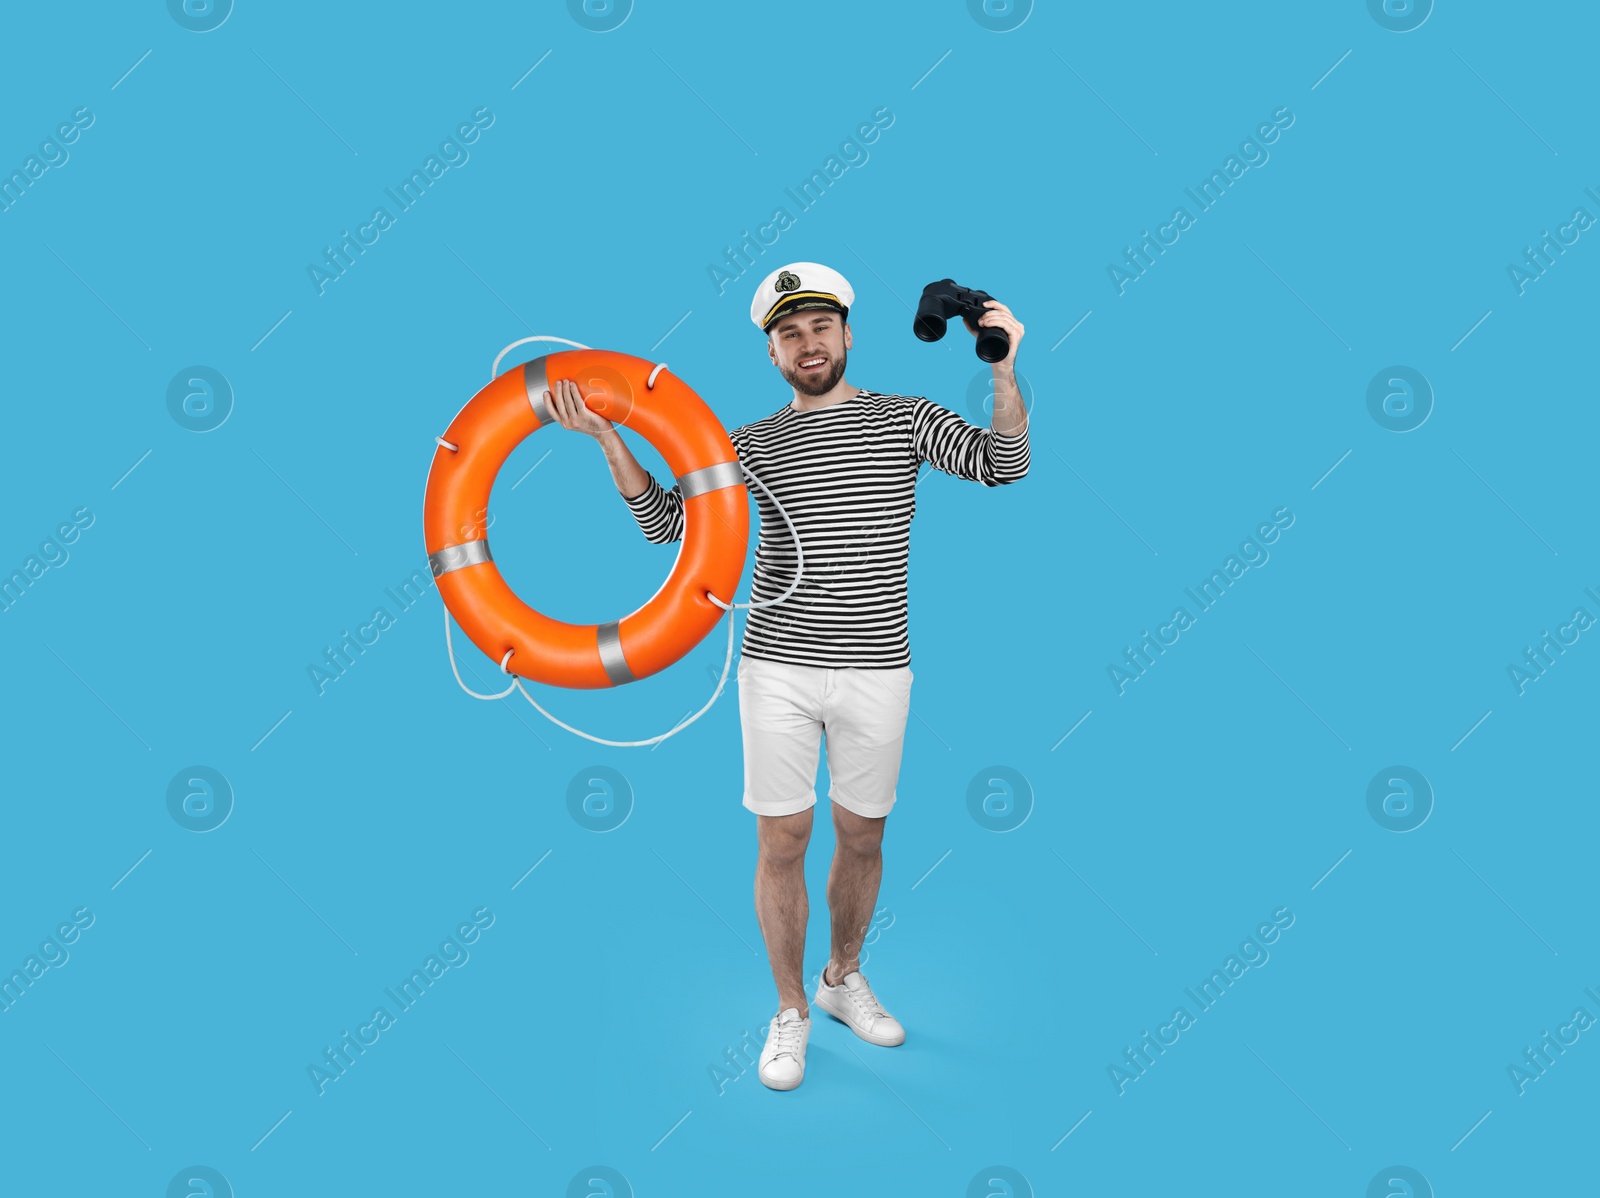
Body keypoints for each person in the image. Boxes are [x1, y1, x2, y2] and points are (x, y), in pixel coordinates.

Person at [542, 261, 1029, 1091]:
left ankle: (841, 982)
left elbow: (1003, 463)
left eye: (820, 328)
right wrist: (609, 441)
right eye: (789, 334)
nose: (809, 344)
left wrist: (1002, 368)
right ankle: (789, 1011)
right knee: (783, 839)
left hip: (878, 665)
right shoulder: (745, 445)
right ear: (772, 354)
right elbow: (667, 524)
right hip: (777, 668)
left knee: (864, 833)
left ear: (847, 335)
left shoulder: (904, 419)